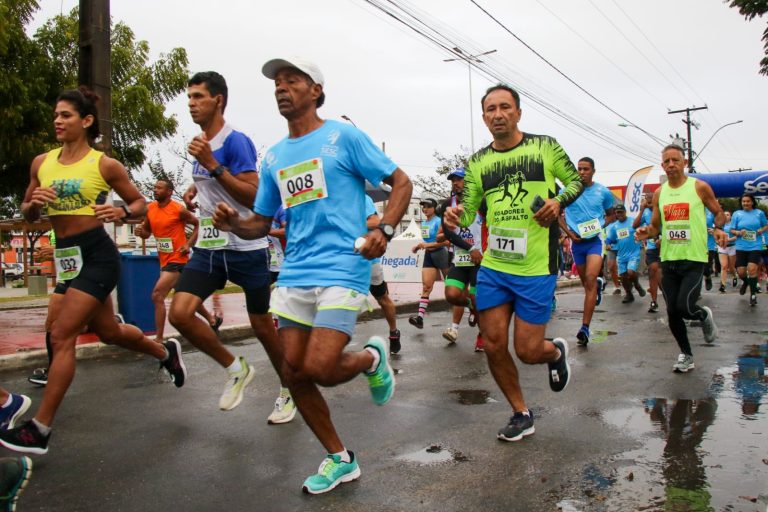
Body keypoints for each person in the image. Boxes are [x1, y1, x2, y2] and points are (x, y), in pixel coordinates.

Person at [213, 57, 412, 494]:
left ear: (316, 90)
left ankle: (370, 359)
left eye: (292, 81)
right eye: (277, 84)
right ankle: (340, 459)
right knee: (295, 372)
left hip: (344, 265)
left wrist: (386, 228)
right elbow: (261, 223)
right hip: (296, 271)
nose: (282, 88)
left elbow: (401, 182)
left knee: (320, 366)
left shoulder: (343, 137)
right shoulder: (275, 156)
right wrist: (233, 224)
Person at [0, 87, 186, 455]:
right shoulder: (42, 162)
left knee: (61, 333)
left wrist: (121, 212)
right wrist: (32, 204)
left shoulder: (104, 165)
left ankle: (40, 428)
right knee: (110, 331)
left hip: (98, 254)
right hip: (68, 256)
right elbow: (28, 212)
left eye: (66, 115)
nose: (57, 120)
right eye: (56, 114)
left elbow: (139, 204)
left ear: (85, 122)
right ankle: (165, 353)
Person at [444, 83, 583, 442]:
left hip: (535, 267)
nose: (498, 114)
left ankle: (554, 352)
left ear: (518, 112)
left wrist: (558, 202)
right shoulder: (477, 162)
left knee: (527, 350)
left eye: (505, 107)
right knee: (492, 343)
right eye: (491, 109)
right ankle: (521, 412)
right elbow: (470, 210)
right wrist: (454, 218)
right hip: (494, 266)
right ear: (484, 117)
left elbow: (573, 182)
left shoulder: (545, 146)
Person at [168, 71, 292, 421]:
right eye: (189, 97)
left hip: (245, 249)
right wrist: (197, 188)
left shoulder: (235, 142)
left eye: (198, 97)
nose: (191, 103)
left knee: (263, 328)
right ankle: (235, 367)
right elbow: (213, 183)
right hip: (209, 248)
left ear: (217, 100)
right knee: (179, 313)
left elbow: (255, 196)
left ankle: (288, 389)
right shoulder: (200, 142)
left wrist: (212, 166)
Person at [635, 144, 727, 373]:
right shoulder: (659, 193)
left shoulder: (699, 187)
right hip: (669, 259)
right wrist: (647, 232)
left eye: (675, 160)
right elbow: (656, 227)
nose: (671, 164)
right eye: (666, 161)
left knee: (685, 306)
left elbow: (718, 212)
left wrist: (717, 228)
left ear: (684, 163)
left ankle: (703, 314)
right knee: (673, 311)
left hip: (694, 259)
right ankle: (686, 354)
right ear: (663, 165)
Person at [133, 179, 221, 341]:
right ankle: (212, 320)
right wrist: (140, 232)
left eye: (159, 188)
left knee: (157, 295)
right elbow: (146, 232)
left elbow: (198, 224)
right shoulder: (150, 208)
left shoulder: (178, 209)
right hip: (164, 260)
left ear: (169, 192)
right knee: (184, 295)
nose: (155, 190)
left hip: (177, 259)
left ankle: (159, 338)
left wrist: (188, 244)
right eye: (154, 187)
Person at [559, 157, 615, 345]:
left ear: (593, 171)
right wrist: (569, 234)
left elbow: (611, 215)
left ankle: (585, 328)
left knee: (590, 279)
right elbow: (557, 213)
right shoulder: (567, 191)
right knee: (587, 284)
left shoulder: (602, 192)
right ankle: (596, 288)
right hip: (577, 243)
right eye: (579, 169)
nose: (582, 172)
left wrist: (599, 227)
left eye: (586, 169)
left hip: (595, 242)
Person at [439, 169, 485, 351]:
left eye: (459, 180)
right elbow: (449, 233)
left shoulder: (481, 202)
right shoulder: (447, 205)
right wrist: (470, 248)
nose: (455, 183)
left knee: (477, 297)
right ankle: (470, 307)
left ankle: (482, 335)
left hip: (480, 260)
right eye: (453, 181)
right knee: (451, 294)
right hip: (461, 258)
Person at [365, 196, 402, 353]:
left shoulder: (362, 198)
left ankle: (394, 332)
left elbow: (375, 222)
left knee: (382, 299)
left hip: (369, 260)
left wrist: (348, 225)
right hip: (344, 260)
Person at [408, 198, 450, 329]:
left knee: (452, 287)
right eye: (423, 207)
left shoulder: (439, 222)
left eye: (428, 206)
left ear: (434, 208)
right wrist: (420, 246)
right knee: (426, 287)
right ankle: (419, 318)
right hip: (429, 255)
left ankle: (470, 308)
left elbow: (447, 242)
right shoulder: (425, 223)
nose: (425, 209)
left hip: (441, 254)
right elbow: (426, 242)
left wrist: (425, 245)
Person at [730, 193, 768, 306]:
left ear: (752, 202)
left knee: (752, 269)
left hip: (755, 245)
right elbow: (732, 229)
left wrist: (761, 230)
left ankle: (753, 294)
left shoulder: (759, 213)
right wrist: (737, 232)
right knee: (741, 272)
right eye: (743, 201)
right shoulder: (737, 214)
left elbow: (766, 225)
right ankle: (746, 282)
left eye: (748, 201)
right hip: (741, 246)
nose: (745, 203)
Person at [606, 204, 645, 304]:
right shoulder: (614, 226)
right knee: (623, 276)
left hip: (633, 253)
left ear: (625, 212)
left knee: (631, 272)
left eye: (621, 212)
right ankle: (629, 294)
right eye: (617, 212)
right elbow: (610, 239)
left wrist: (642, 236)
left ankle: (636, 285)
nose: (619, 214)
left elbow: (643, 230)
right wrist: (608, 244)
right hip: (621, 255)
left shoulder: (633, 221)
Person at [633, 192, 662, 312]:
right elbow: (634, 225)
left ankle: (668, 298)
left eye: (651, 200)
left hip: (665, 246)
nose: (649, 202)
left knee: (662, 277)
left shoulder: (661, 209)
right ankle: (654, 301)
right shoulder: (645, 212)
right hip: (651, 247)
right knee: (652, 271)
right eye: (647, 200)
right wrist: (641, 209)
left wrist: (661, 238)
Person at [717, 211, 738, 293]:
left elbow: (737, 236)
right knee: (724, 266)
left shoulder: (733, 225)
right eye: (724, 215)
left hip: (732, 247)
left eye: (728, 215)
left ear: (731, 216)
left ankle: (734, 275)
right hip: (722, 247)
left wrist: (728, 240)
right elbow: (716, 235)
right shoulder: (719, 225)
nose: (726, 216)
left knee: (731, 267)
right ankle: (723, 285)